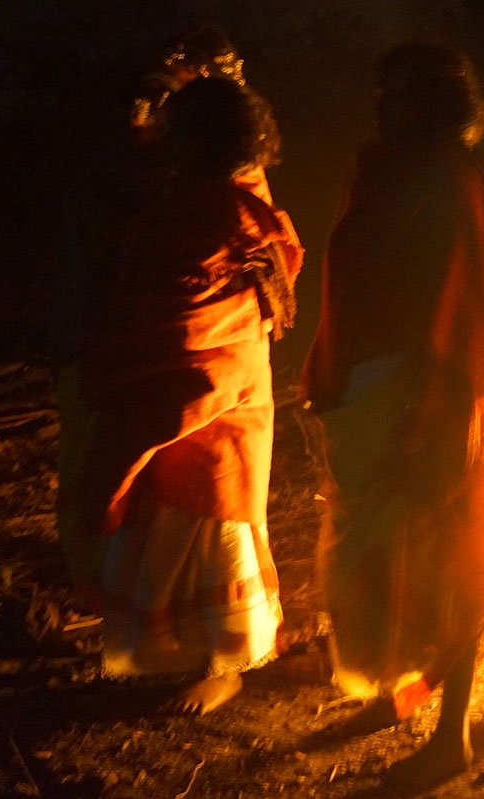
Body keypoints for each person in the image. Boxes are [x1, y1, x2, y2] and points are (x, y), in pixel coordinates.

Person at [301, 44, 484, 795]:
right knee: (377, 550)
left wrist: (440, 397)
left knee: (458, 552)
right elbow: (353, 276)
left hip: (445, 388)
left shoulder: (461, 176)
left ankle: (453, 735)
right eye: (384, 89)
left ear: (439, 100)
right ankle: (389, 695)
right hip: (372, 382)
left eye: (402, 92)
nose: (386, 104)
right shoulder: (377, 168)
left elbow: (469, 289)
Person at [80, 75, 303, 715]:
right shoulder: (233, 202)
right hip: (216, 380)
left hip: (217, 384)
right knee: (184, 514)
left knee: (214, 516)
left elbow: (163, 309)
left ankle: (224, 664)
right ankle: (183, 652)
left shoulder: (212, 208)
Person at [53, 26, 252, 591]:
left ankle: (132, 585)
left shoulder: (209, 175)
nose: (158, 110)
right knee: (99, 461)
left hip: (175, 357)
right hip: (105, 345)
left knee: (160, 476)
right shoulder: (122, 173)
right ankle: (97, 582)